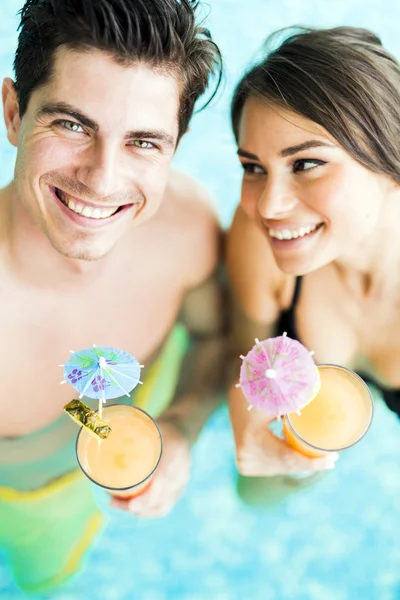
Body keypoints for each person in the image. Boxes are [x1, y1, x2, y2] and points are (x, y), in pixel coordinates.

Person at [0, 0, 225, 592]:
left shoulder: (188, 225)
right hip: (29, 488)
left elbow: (212, 335)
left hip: (141, 407)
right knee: (44, 573)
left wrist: (179, 424)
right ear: (13, 111)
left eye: (143, 142)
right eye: (72, 124)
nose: (101, 180)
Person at [226, 26, 400, 498]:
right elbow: (246, 356)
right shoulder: (257, 239)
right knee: (258, 494)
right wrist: (257, 436)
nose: (267, 207)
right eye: (253, 168)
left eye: (305, 163)